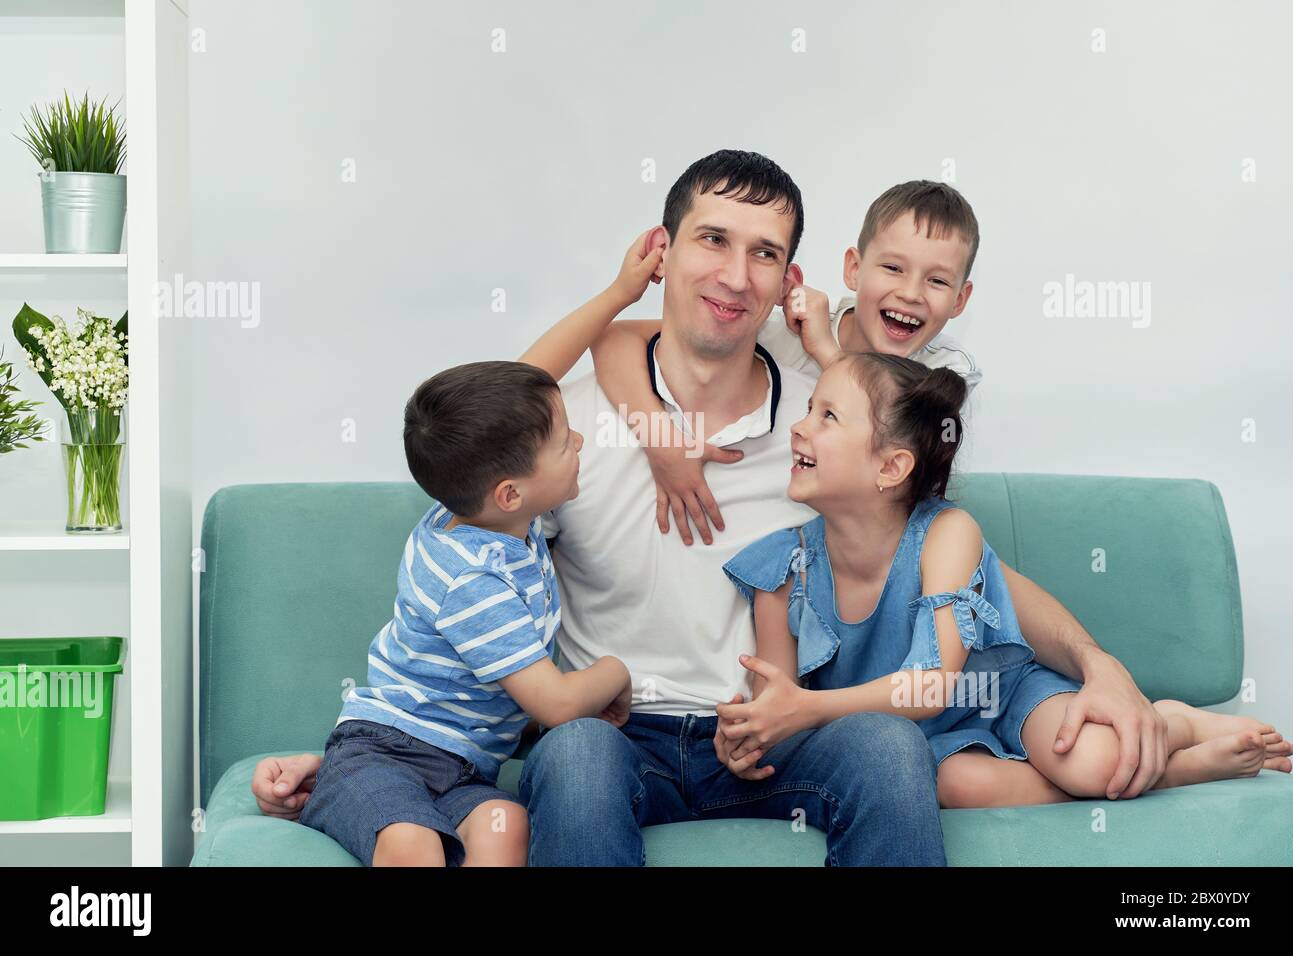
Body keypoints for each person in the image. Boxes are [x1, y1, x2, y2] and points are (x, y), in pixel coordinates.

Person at [253, 149, 1177, 863]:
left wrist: (1100, 663)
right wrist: (357, 760)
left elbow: (961, 566)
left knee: (891, 753)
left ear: (789, 280)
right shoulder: (567, 433)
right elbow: (471, 501)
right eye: (713, 240)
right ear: (666, 254)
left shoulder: (826, 426)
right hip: (622, 733)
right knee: (570, 759)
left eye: (765, 253)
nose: (737, 275)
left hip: (774, 729)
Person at [714, 352, 1293, 805]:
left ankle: (1176, 723)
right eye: (809, 408)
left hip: (1001, 695)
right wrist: (751, 734)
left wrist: (810, 710)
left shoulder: (947, 534)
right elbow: (776, 705)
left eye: (827, 416)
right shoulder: (783, 567)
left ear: (891, 467)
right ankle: (1170, 773)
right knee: (954, 790)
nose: (799, 428)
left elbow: (934, 684)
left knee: (1091, 761)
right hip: (914, 743)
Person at [294, 236, 667, 866]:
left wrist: (619, 294)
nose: (578, 438)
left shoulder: (492, 510)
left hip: (464, 769)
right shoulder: (472, 575)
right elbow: (552, 702)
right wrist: (617, 672)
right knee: (413, 844)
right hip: (381, 753)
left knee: (504, 828)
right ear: (511, 489)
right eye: (563, 441)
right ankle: (338, 797)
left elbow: (527, 384)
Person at [589, 180, 981, 547]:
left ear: (961, 300)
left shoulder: (949, 368)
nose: (910, 293)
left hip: (870, 539)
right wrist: (661, 439)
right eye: (893, 268)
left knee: (959, 543)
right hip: (774, 523)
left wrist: (827, 353)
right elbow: (615, 339)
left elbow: (898, 443)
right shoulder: (784, 330)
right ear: (854, 269)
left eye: (937, 281)